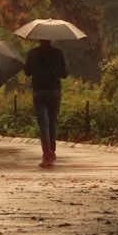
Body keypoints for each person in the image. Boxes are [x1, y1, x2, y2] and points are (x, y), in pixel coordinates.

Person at [24, 37, 67, 167]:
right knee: (53, 121)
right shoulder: (58, 53)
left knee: (44, 124)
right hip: (54, 91)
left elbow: (27, 72)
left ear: (39, 39)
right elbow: (65, 74)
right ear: (50, 39)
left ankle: (46, 154)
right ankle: (52, 151)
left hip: (39, 91)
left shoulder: (32, 53)